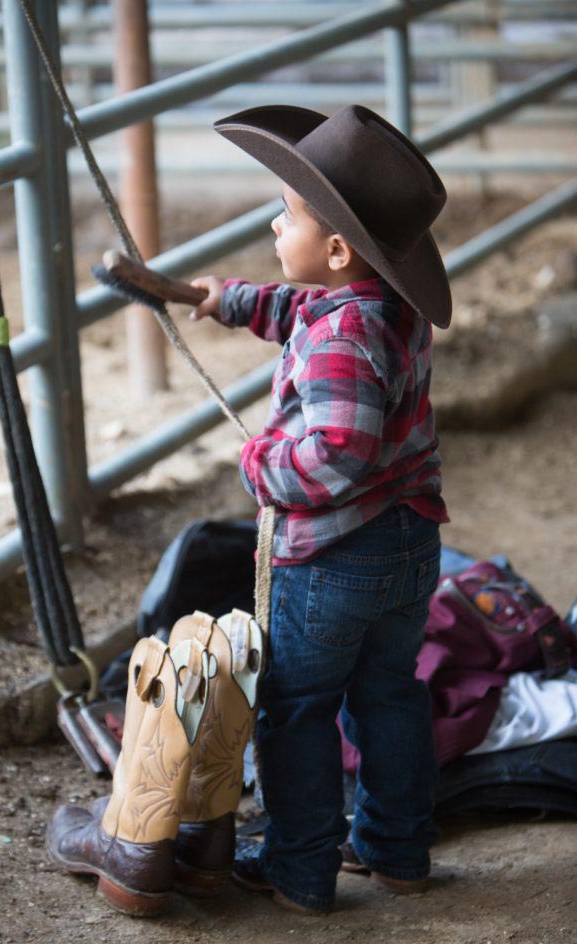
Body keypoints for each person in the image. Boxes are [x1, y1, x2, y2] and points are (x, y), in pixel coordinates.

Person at [188, 104, 452, 915]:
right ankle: (397, 848)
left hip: (336, 557)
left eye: (287, 214)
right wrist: (224, 299)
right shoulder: (379, 305)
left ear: (335, 250)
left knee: (298, 706)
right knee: (389, 692)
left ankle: (301, 868)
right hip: (408, 545)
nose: (274, 221)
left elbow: (340, 449)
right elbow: (294, 307)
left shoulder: (339, 337)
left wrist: (261, 464)